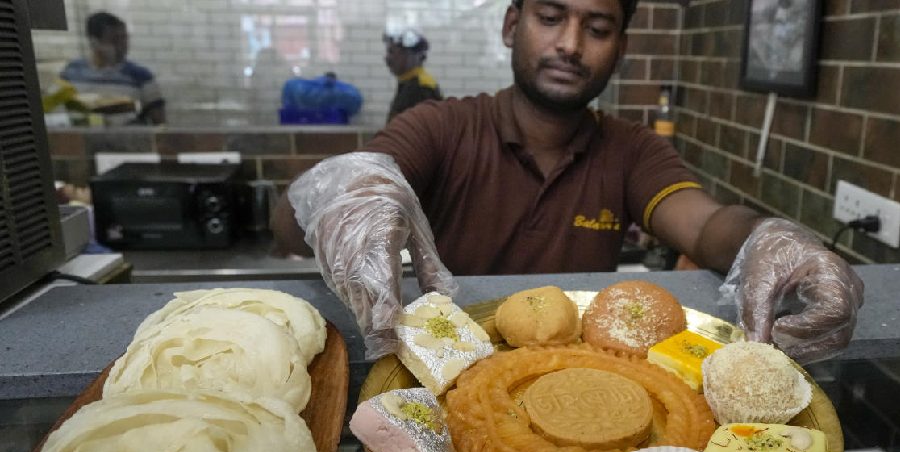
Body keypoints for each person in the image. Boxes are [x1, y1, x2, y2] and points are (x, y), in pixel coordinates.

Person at [273, 0, 863, 364]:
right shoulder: (443, 127)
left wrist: (772, 238)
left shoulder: (632, 152)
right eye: (550, 17)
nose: (570, 44)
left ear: (620, 47)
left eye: (598, 26)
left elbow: (706, 223)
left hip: (585, 378)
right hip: (448, 378)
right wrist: (343, 201)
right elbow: (295, 226)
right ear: (512, 25)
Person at [60, 11, 166, 125]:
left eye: (125, 38)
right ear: (95, 42)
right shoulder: (72, 73)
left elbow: (159, 121)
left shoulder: (141, 76)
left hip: (129, 140)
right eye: (115, 39)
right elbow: (58, 112)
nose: (123, 44)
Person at [383, 27, 442, 121]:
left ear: (412, 56)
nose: (387, 58)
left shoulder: (422, 87)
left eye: (392, 52)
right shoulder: (407, 82)